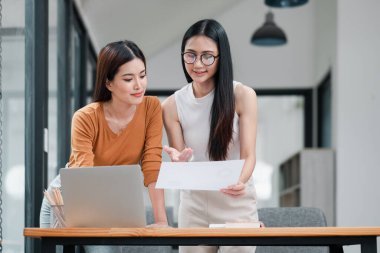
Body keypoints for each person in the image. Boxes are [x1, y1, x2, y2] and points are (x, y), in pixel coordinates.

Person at [40, 40, 168, 253]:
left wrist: (161, 221)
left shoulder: (152, 108)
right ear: (108, 83)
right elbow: (86, 174)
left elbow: (152, 164)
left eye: (142, 75)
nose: (139, 85)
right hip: (67, 198)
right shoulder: (86, 117)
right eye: (128, 79)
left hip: (112, 198)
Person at [162, 19, 259, 253]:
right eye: (190, 55)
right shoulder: (171, 105)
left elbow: (248, 155)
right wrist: (178, 163)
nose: (197, 64)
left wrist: (240, 181)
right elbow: (182, 159)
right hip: (194, 204)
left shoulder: (243, 95)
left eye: (207, 56)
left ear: (220, 57)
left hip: (236, 200)